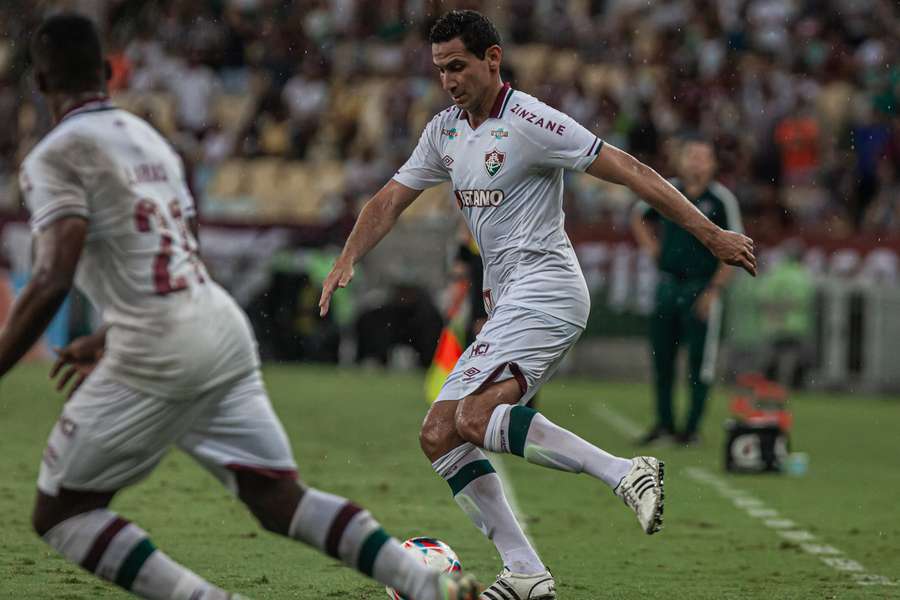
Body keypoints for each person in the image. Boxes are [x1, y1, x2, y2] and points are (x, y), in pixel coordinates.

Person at [0, 14, 481, 600]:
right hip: (216, 325)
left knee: (61, 512)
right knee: (280, 500)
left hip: (157, 342)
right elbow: (180, 253)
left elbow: (52, 275)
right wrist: (105, 336)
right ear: (107, 72)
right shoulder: (151, 139)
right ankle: (430, 588)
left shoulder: (53, 155)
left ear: (42, 85)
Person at [319, 10, 756, 599]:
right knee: (439, 433)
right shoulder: (445, 131)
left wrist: (711, 235)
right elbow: (390, 199)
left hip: (548, 287)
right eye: (440, 69)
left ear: (492, 59)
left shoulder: (531, 120)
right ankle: (525, 572)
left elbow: (629, 169)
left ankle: (625, 474)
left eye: (458, 66)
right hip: (509, 303)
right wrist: (348, 256)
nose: (448, 80)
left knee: (472, 419)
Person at [631, 136, 745, 447]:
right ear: (681, 160)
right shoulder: (668, 189)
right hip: (668, 285)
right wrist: (653, 249)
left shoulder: (721, 199)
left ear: (713, 164)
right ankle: (665, 424)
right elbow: (639, 214)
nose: (696, 163)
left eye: (702, 157)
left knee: (700, 364)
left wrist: (714, 291)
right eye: (691, 156)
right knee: (662, 359)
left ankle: (691, 428)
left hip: (701, 288)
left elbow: (735, 247)